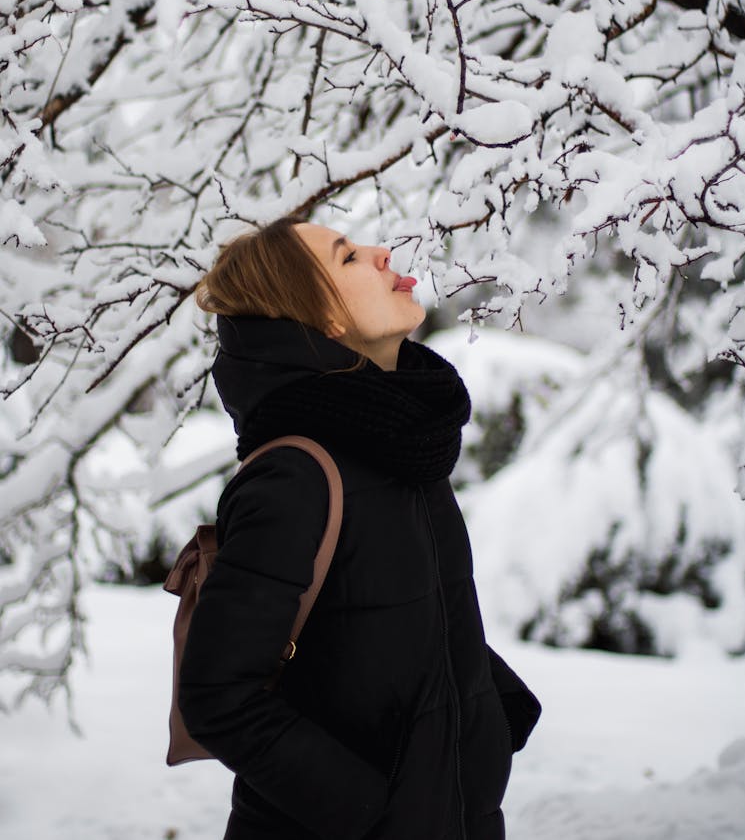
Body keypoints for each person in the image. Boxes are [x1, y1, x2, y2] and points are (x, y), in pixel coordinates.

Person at [179, 218, 541, 840]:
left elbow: (396, 620)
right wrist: (370, 811)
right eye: (348, 258)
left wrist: (492, 707)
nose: (380, 254)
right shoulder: (297, 474)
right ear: (324, 321)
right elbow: (217, 696)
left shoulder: (402, 445)